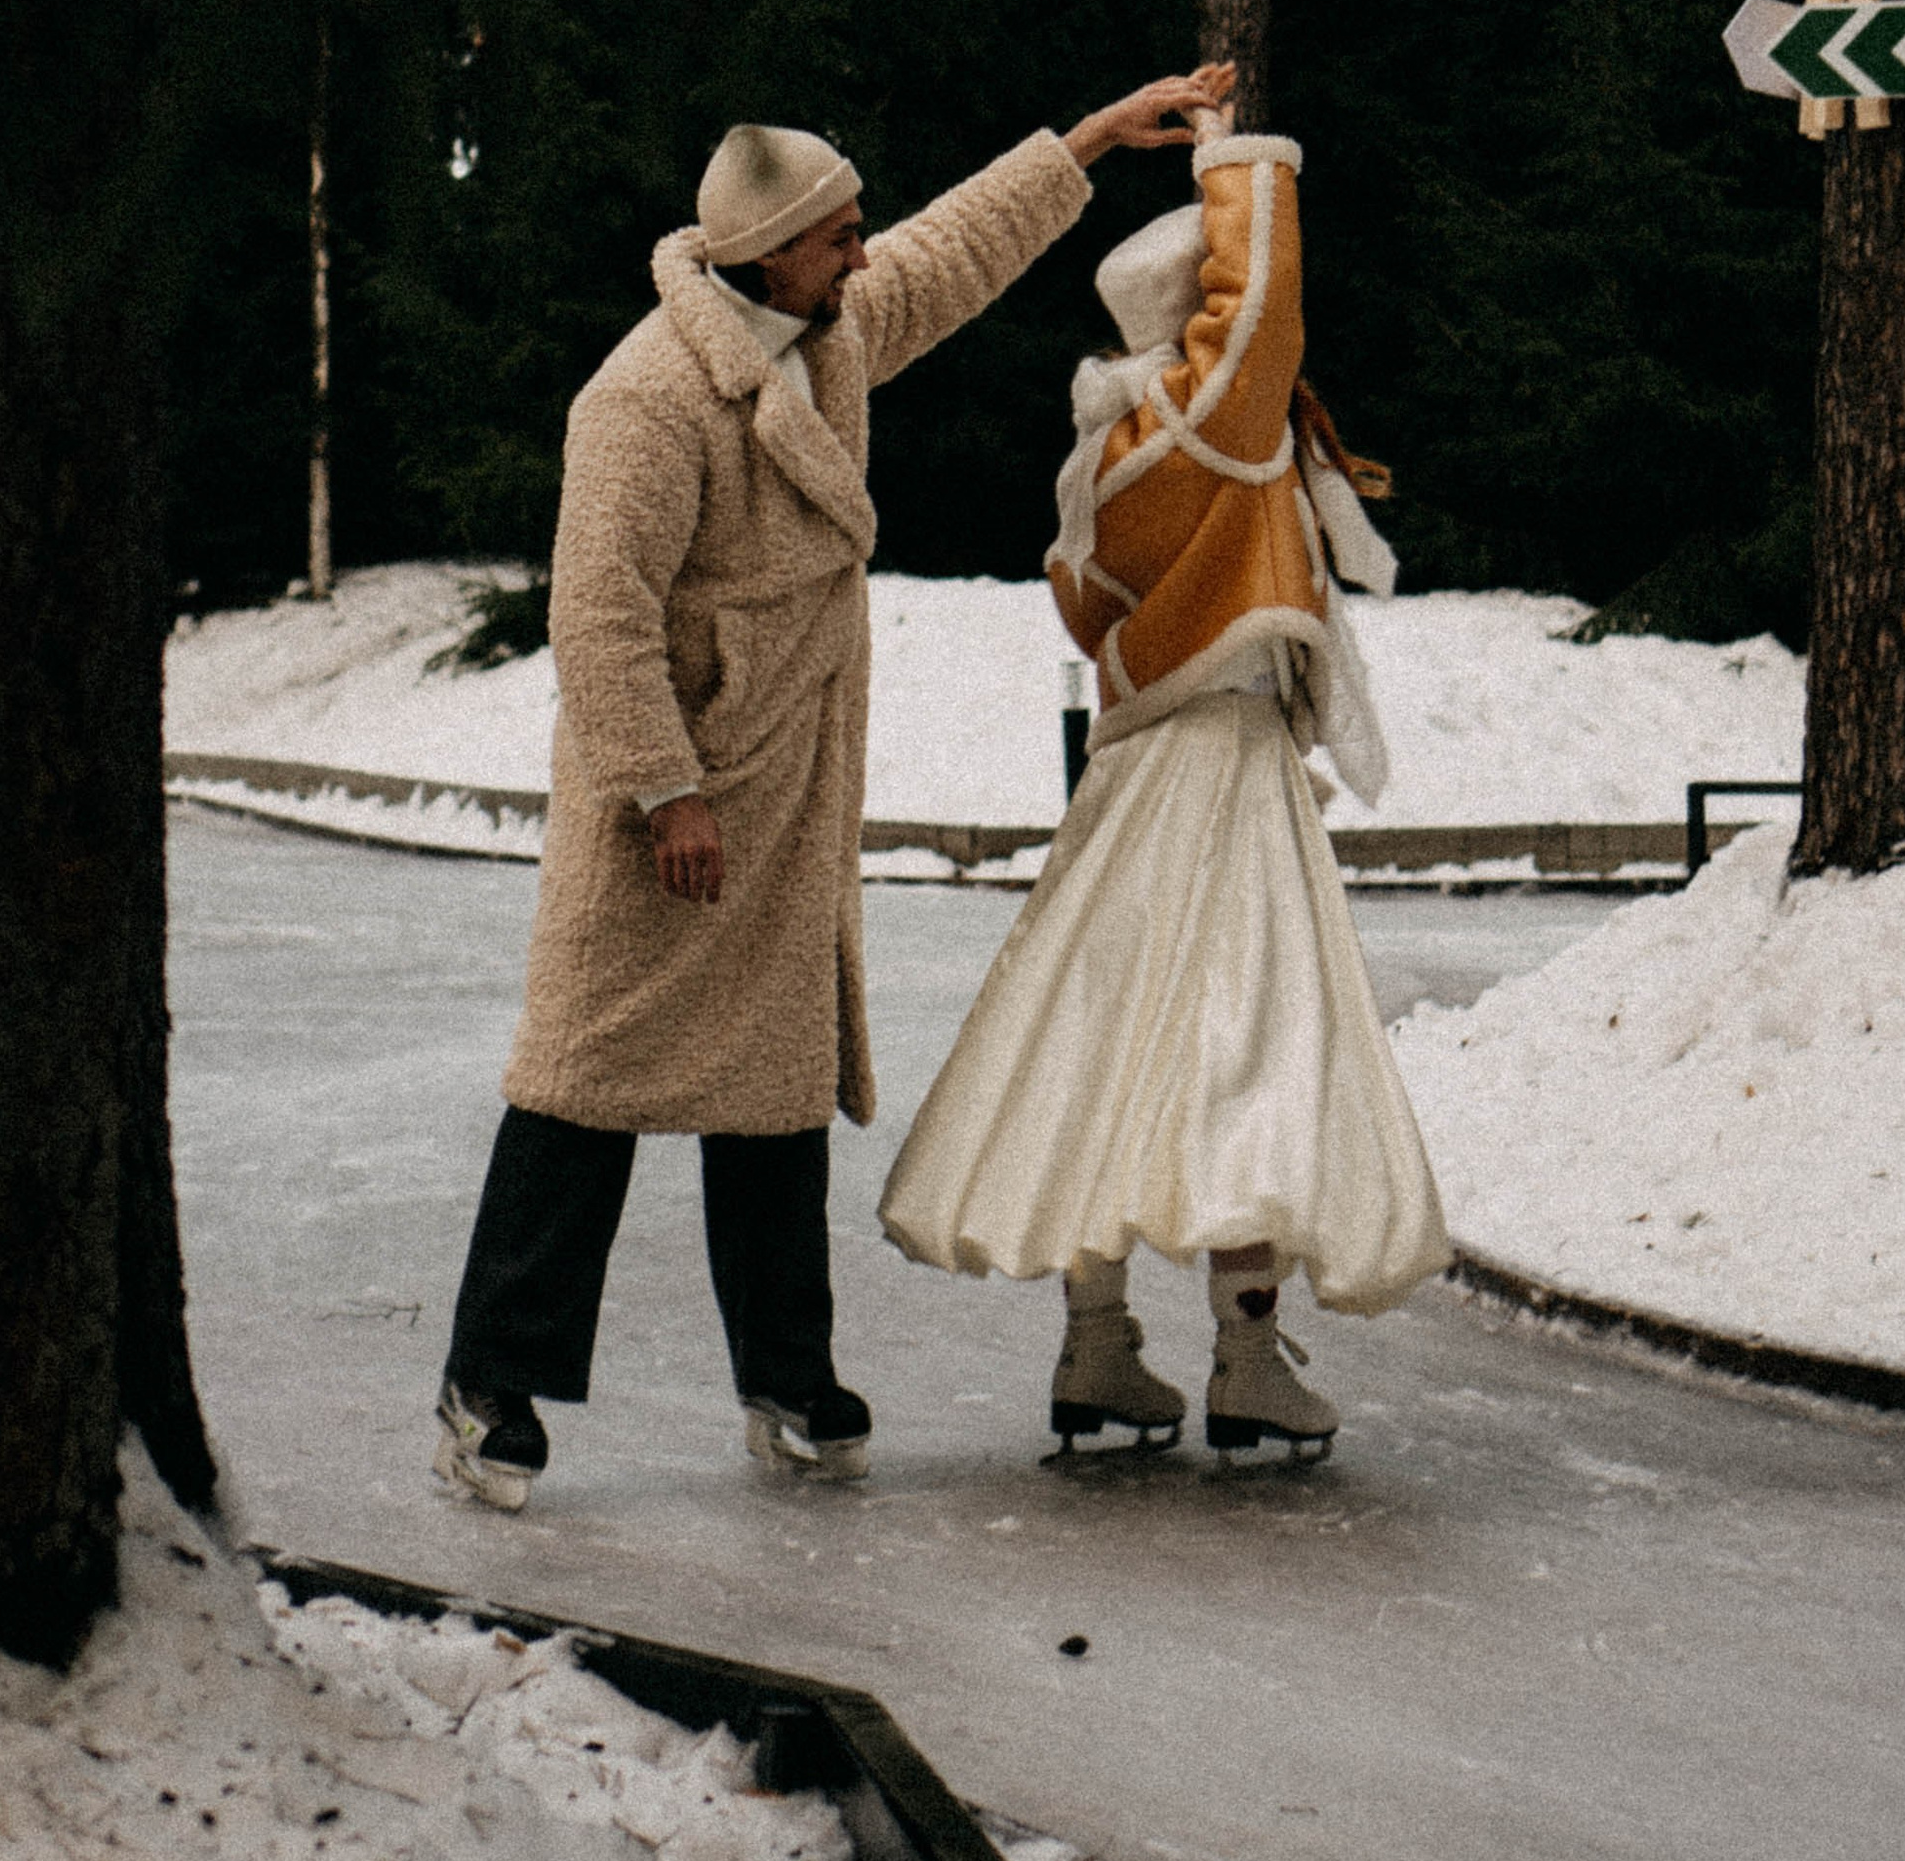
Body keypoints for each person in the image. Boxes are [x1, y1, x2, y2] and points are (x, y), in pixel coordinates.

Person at [432, 76, 1227, 1511]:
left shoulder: (829, 331)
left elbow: (957, 248)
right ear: (770, 253)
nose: (867, 251)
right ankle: (489, 1385)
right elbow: (599, 618)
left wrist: (1098, 140)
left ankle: (788, 1379)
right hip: (667, 799)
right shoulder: (646, 398)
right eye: (840, 234)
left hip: (787, 782)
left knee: (772, 1089)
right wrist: (667, 791)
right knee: (584, 1083)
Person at [880, 92, 1450, 1463]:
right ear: (1184, 320)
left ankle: (1098, 1349)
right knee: (1250, 1044)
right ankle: (1246, 1359)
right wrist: (1231, 154)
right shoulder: (1206, 426)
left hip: (1131, 777)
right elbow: (1263, 321)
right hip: (1226, 771)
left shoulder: (1108, 455)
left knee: (1102, 1037)